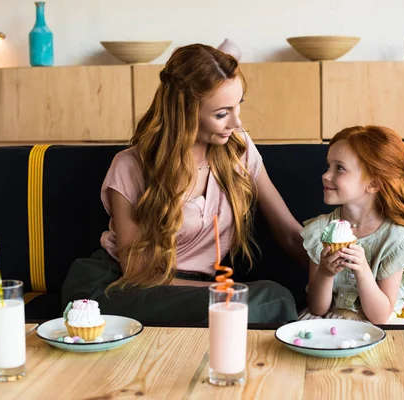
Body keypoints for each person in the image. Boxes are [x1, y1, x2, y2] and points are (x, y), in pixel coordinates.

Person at [61, 44, 308, 324]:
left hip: (193, 294)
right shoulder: (130, 165)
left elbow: (288, 233)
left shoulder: (240, 150)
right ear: (185, 111)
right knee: (266, 300)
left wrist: (339, 276)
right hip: (124, 286)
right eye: (221, 114)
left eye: (238, 106)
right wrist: (226, 295)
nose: (236, 122)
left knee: (273, 298)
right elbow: (139, 272)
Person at [299, 125, 404, 324]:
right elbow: (317, 309)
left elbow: (380, 317)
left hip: (375, 325)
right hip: (326, 321)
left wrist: (363, 271)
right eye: (328, 166)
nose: (326, 175)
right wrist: (325, 274)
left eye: (340, 168)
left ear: (373, 184)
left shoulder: (395, 238)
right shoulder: (320, 231)